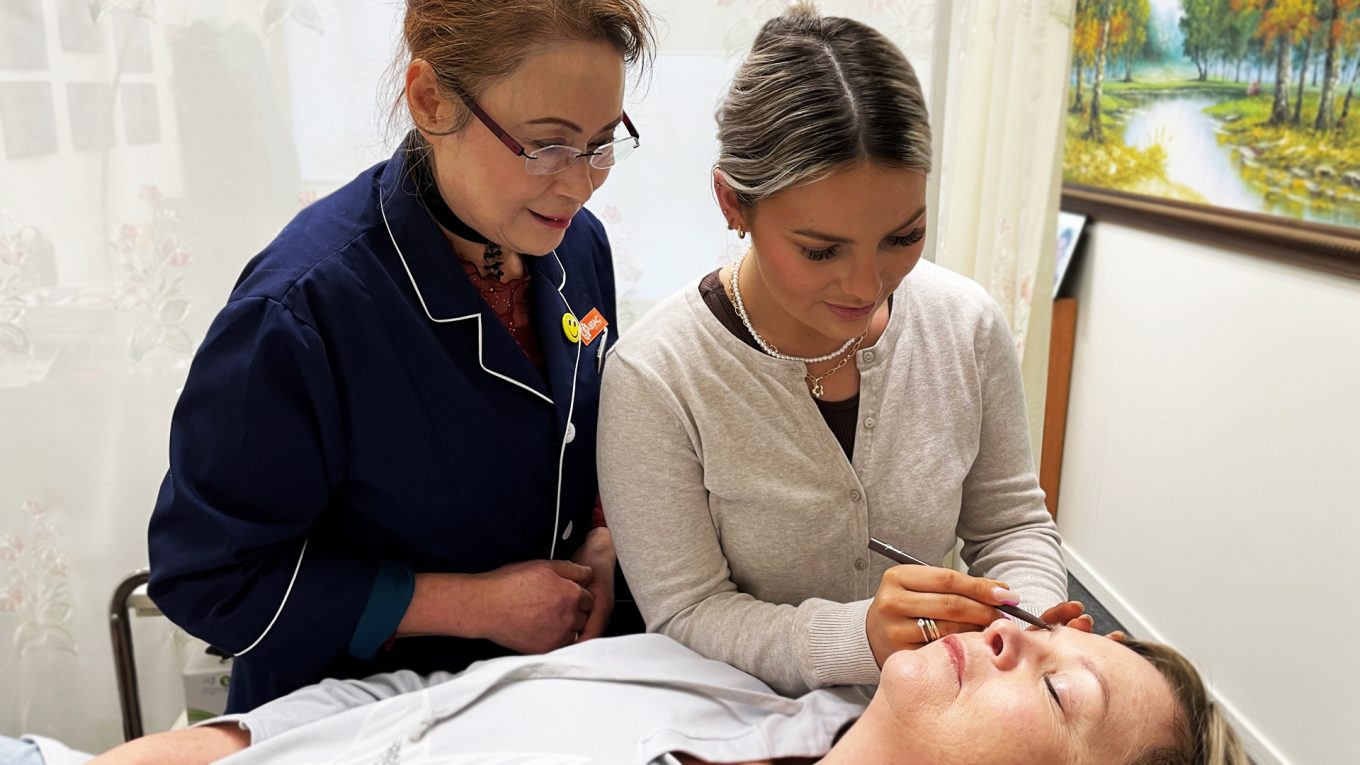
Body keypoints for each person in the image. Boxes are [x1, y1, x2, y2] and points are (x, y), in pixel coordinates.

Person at [146, 0, 656, 712]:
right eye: (547, 144)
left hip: (543, 695)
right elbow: (207, 577)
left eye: (602, 143)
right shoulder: (302, 312)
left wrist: (602, 539)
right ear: (430, 99)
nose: (580, 182)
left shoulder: (573, 243)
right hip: (353, 712)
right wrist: (469, 605)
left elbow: (595, 436)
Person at [598, 2, 1074, 697]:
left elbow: (1011, 523)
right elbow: (686, 610)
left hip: (947, 702)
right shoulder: (656, 376)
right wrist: (861, 639)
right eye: (821, 250)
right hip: (745, 718)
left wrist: (1025, 625)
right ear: (733, 202)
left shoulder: (966, 326)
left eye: (903, 236)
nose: (867, 284)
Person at [3, 620, 1247, 764]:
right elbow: (441, 690)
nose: (1015, 639)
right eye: (1041, 637)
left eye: (1059, 694)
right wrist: (221, 737)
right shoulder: (700, 677)